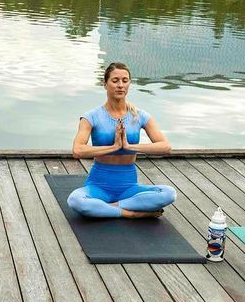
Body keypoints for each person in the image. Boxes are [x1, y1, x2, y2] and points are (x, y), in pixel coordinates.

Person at [67, 61, 176, 219]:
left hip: (128, 188)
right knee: (76, 200)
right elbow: (77, 150)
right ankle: (131, 213)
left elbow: (166, 147)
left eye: (125, 81)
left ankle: (109, 208)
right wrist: (114, 146)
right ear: (105, 84)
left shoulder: (139, 116)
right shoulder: (91, 117)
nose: (120, 85)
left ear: (129, 84)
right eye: (115, 80)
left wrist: (128, 146)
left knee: (169, 193)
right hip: (98, 186)